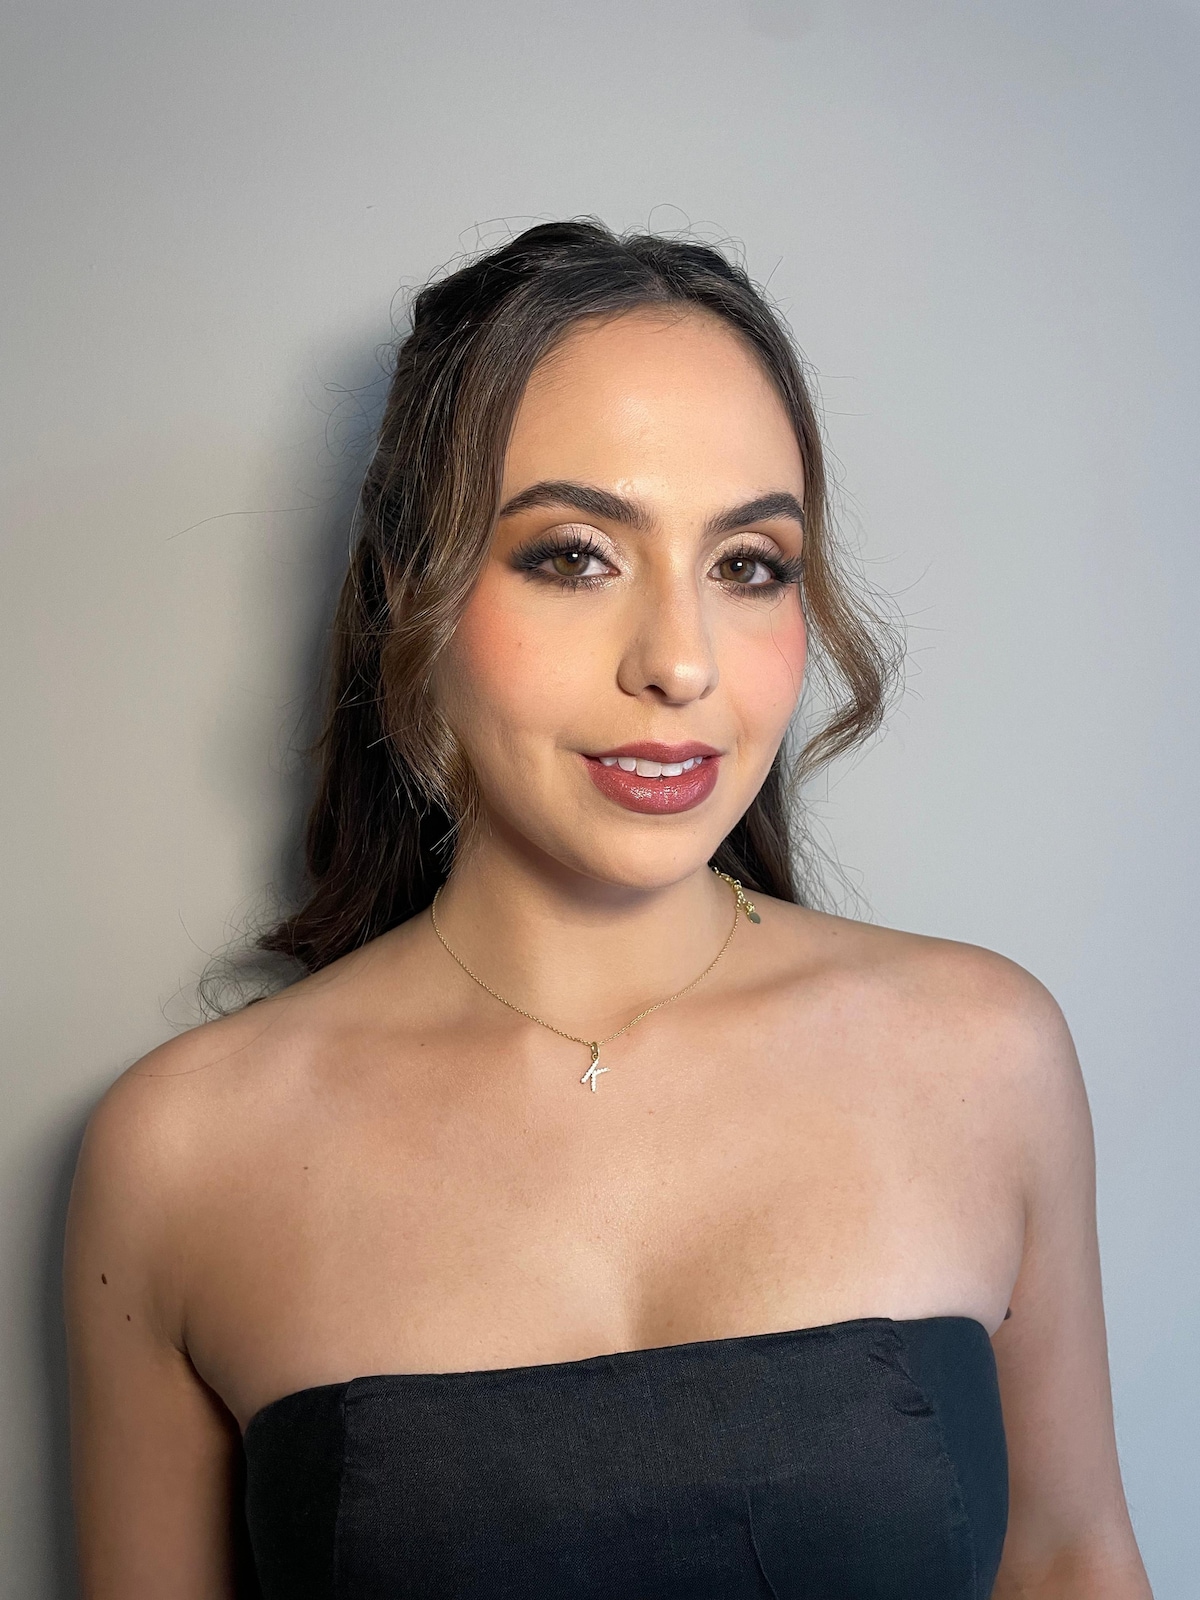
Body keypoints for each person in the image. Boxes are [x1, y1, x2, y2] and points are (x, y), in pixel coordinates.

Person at [65, 220, 1152, 1599]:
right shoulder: (181, 1154)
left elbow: (1069, 1558)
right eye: (576, 555)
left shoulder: (985, 1056)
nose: (680, 663)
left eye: (747, 564)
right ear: (411, 589)